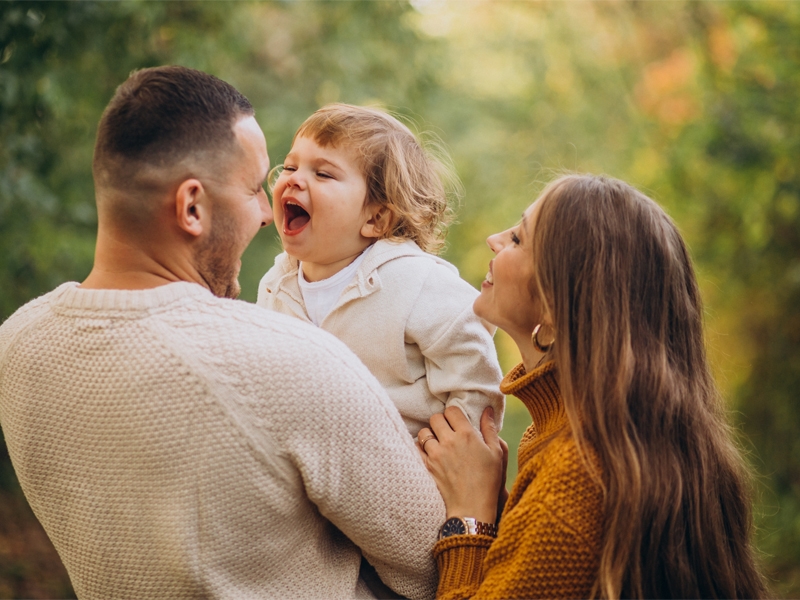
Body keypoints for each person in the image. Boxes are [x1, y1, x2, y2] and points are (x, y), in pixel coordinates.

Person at [0, 66, 445, 599]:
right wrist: (474, 509)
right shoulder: (292, 364)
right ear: (192, 207)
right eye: (256, 187)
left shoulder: (16, 343)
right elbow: (432, 568)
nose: (266, 211)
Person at [417, 174, 768, 599]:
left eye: (517, 240)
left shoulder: (574, 479)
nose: (494, 239)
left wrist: (469, 518)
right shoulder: (606, 437)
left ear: (556, 300)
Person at [257, 104, 504, 437]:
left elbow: (473, 369)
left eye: (323, 173)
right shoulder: (276, 285)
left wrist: (455, 453)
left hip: (402, 469)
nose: (294, 179)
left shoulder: (415, 281)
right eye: (289, 166)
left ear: (376, 219)